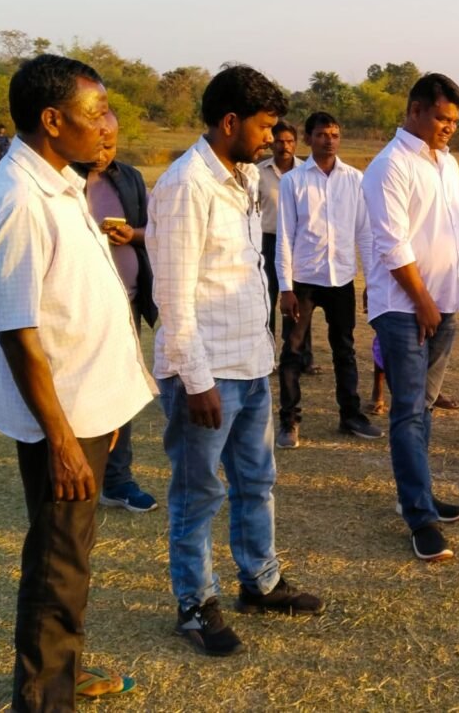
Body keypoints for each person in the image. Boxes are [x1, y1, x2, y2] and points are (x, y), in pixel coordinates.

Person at [0, 53, 153, 708]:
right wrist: (62, 441)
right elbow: (19, 332)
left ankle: (62, 673)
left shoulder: (58, 181)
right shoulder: (21, 198)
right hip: (65, 422)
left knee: (69, 555)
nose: (108, 124)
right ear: (52, 121)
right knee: (58, 564)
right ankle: (45, 696)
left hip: (86, 411)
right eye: (96, 112)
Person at [147, 64, 323, 658]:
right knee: (198, 493)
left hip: (250, 362)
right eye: (265, 126)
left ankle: (260, 580)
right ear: (229, 122)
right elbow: (172, 296)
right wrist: (196, 381)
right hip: (206, 372)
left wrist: (263, 356)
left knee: (257, 480)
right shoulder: (186, 185)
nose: (273, 138)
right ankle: (196, 603)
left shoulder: (243, 177)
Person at [361, 73, 459, 562]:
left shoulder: (447, 164)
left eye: (454, 121)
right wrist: (423, 301)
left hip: (445, 303)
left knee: (424, 407)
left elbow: (456, 232)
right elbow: (392, 244)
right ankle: (420, 517)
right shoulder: (389, 165)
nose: (448, 127)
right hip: (403, 308)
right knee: (409, 410)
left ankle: (420, 495)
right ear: (414, 111)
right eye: (441, 118)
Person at [274, 111, 382, 447]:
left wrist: (371, 282)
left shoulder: (354, 179)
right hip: (304, 281)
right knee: (292, 352)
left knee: (344, 349)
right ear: (308, 138)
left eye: (334, 134)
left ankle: (350, 415)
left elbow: (365, 233)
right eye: (321, 134)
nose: (329, 140)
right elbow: (284, 236)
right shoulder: (293, 181)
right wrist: (285, 287)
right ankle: (289, 420)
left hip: (341, 279)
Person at [73, 111, 158, 512]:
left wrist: (131, 234)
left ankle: (118, 481)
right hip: (81, 307)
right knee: (79, 392)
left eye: (111, 143)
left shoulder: (130, 178)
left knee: (121, 390)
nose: (104, 150)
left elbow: (152, 230)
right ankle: (77, 474)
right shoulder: (62, 182)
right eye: (98, 140)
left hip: (128, 302)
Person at [256, 122, 318, 375]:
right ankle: (267, 358)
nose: (285, 146)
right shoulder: (258, 173)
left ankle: (303, 358)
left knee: (301, 301)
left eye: (290, 141)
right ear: (272, 143)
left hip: (298, 244)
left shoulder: (307, 172)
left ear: (296, 143)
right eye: (280, 141)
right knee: (267, 300)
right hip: (268, 242)